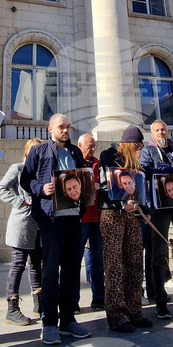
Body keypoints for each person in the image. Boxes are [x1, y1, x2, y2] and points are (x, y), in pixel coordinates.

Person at [21, 114, 91, 345]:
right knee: (50, 270)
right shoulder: (39, 151)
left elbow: (81, 179)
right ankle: (49, 322)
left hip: (73, 218)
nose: (65, 130)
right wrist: (42, 188)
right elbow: (25, 181)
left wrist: (90, 186)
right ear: (50, 128)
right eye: (61, 127)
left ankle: (68, 320)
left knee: (72, 269)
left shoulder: (75, 152)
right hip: (50, 219)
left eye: (68, 126)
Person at [98, 126, 154, 333]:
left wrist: (145, 209)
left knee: (135, 261)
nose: (140, 149)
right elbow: (107, 185)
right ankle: (118, 315)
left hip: (133, 214)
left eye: (142, 146)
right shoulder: (108, 156)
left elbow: (142, 188)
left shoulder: (138, 164)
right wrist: (123, 204)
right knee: (115, 264)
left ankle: (135, 310)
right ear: (128, 144)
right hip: (112, 213)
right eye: (137, 146)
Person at [139, 120, 173, 320]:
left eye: (164, 129)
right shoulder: (148, 151)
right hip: (160, 206)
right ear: (152, 133)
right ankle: (160, 300)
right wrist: (168, 171)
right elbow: (145, 171)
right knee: (159, 251)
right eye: (158, 130)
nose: (162, 132)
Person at [0, 138, 44, 327]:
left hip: (38, 224)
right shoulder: (18, 168)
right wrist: (20, 202)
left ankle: (39, 304)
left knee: (36, 265)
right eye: (33, 152)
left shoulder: (43, 172)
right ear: (26, 153)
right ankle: (12, 308)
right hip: (22, 224)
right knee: (18, 265)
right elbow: (0, 189)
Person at [77, 133, 105, 310]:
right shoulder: (74, 162)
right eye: (89, 145)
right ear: (80, 145)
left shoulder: (97, 163)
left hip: (98, 215)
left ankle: (99, 297)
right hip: (81, 218)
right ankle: (72, 301)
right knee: (74, 259)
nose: (93, 148)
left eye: (94, 145)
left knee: (97, 259)